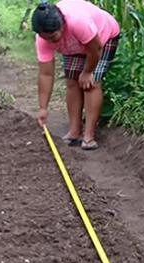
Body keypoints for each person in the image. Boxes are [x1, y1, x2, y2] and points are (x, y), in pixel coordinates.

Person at [31, 1, 120, 151]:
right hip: (74, 45)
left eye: (53, 37)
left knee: (91, 83)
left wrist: (87, 72)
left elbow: (95, 49)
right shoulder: (43, 40)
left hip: (101, 38)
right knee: (72, 81)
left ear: (62, 25)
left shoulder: (77, 23)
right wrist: (43, 108)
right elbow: (46, 74)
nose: (50, 42)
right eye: (47, 38)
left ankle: (89, 136)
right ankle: (74, 132)